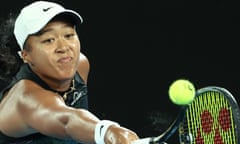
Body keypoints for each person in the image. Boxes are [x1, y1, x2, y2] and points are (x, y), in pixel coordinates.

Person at [0, 1, 139, 144]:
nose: (64, 47)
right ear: (25, 55)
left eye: (68, 35)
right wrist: (108, 132)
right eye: (49, 40)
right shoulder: (24, 99)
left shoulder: (80, 64)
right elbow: (67, 121)